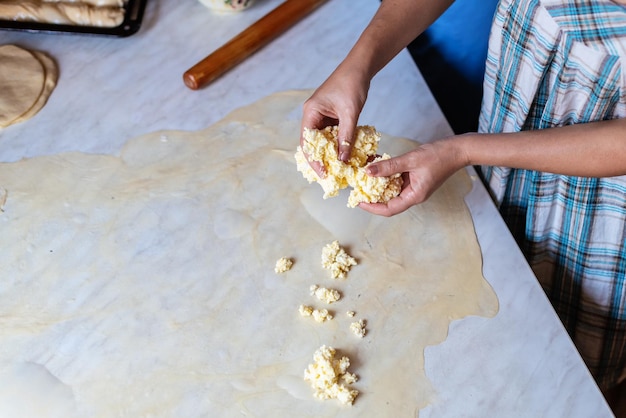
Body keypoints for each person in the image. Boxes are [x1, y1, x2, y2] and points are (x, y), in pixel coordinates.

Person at [300, 0, 626, 410]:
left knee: (568, 368)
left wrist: (462, 151)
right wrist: (358, 64)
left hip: (606, 200)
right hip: (514, 104)